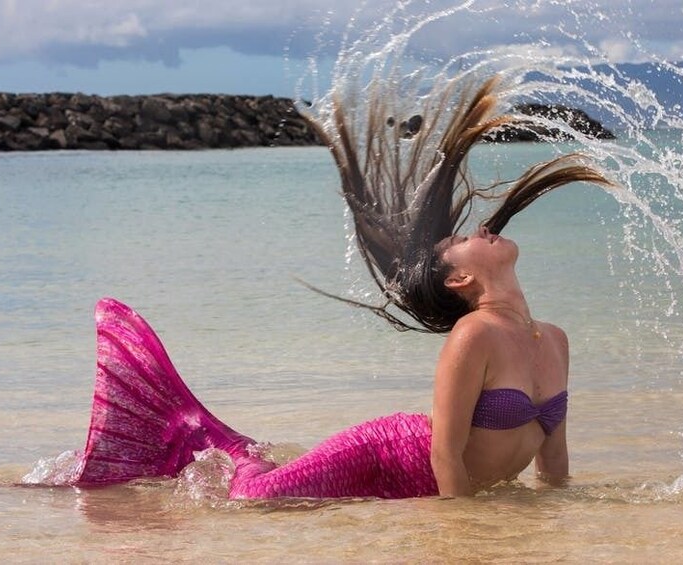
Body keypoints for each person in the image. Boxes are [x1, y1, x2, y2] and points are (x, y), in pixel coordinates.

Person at [64, 76, 610, 498]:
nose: (485, 229)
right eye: (465, 237)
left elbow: (553, 457)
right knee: (253, 497)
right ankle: (214, 447)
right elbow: (445, 455)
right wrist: (462, 538)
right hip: (384, 456)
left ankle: (233, 449)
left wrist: (556, 523)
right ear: (460, 278)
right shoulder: (474, 336)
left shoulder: (555, 340)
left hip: (419, 481)